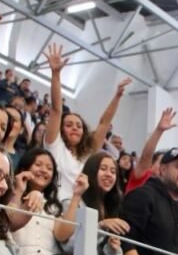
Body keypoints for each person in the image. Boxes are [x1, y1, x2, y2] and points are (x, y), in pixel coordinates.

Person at [43, 43, 130, 203]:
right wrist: (56, 74)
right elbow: (56, 110)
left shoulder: (88, 154)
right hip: (54, 208)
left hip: (82, 211)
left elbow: (104, 123)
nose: (75, 128)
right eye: (69, 125)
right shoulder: (55, 146)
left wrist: (117, 96)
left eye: (79, 126)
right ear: (60, 129)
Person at [11, 148, 64, 255]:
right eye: (38, 164)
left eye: (49, 168)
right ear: (25, 167)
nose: (44, 170)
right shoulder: (12, 195)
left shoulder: (54, 207)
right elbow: (9, 221)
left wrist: (76, 196)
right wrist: (19, 190)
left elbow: (61, 235)